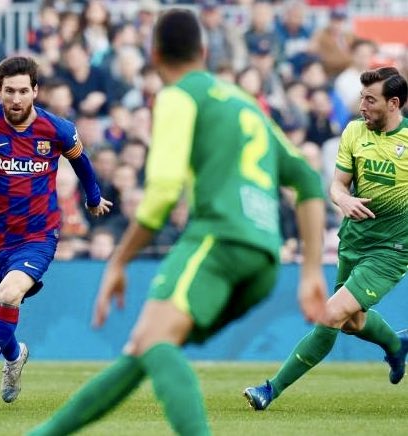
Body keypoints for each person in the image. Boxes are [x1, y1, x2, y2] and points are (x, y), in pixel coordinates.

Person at [29, 9, 327, 436]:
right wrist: (311, 271)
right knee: (144, 348)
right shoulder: (244, 102)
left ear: (154, 54)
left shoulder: (178, 95)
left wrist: (118, 261)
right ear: (203, 51)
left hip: (218, 241)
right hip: (264, 259)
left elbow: (164, 189)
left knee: (155, 343)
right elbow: (307, 180)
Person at [0, 55, 112, 404]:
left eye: (23, 91)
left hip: (37, 235)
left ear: (35, 91)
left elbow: (82, 161)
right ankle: (15, 356)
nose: (16, 99)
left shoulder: (57, 129)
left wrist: (93, 198)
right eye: (9, 92)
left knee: (9, 294)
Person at [244, 66, 408, 411]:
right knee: (351, 322)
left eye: (370, 99)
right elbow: (337, 184)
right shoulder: (353, 132)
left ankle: (270, 390)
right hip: (354, 241)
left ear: (394, 103)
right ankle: (396, 345)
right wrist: (343, 198)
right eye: (361, 97)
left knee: (330, 315)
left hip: (391, 250)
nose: (361, 105)